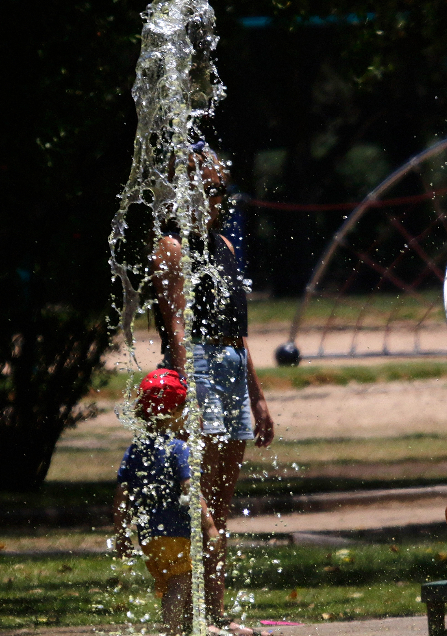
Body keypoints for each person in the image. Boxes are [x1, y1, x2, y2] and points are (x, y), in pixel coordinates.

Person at [150, 142, 274, 627]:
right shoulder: (171, 247)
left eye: (222, 190)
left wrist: (258, 397)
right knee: (195, 505)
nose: (217, 199)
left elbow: (237, 333)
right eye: (208, 189)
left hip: (228, 368)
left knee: (219, 509)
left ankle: (215, 616)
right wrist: (190, 388)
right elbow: (176, 325)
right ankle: (184, 616)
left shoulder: (222, 246)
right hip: (196, 368)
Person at [114, 369, 220, 636]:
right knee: (181, 582)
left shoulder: (135, 450)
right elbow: (190, 491)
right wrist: (209, 527)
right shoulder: (179, 449)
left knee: (169, 584)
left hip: (149, 537)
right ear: (174, 413)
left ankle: (184, 630)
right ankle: (171, 632)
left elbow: (121, 497)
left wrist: (122, 535)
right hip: (177, 534)